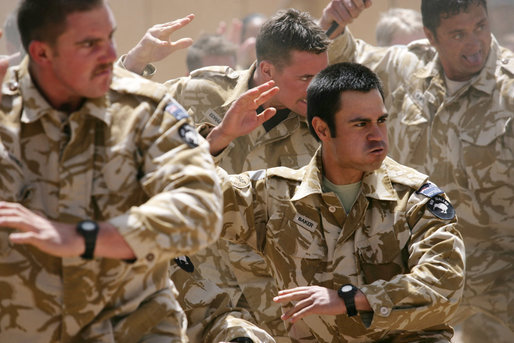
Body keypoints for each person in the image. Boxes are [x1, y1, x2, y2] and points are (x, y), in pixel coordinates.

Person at [0, 0, 222, 341]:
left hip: (133, 327)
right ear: (42, 53)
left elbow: (200, 208)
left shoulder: (146, 109)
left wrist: (87, 238)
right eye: (89, 44)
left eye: (110, 37)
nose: (109, 55)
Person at [217, 62, 465, 342]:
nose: (377, 136)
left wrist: (350, 299)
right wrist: (219, 138)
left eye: (381, 121)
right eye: (360, 124)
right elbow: (186, 195)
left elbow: (444, 285)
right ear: (322, 129)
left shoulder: (416, 199)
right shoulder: (275, 195)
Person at [123, 8, 330, 342]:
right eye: (305, 78)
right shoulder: (201, 93)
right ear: (267, 70)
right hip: (191, 301)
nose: (318, 88)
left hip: (275, 319)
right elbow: (117, 111)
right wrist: (135, 61)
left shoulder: (324, 130)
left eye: (322, 75)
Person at [320, 0, 514, 341]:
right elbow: (343, 55)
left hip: (500, 272)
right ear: (431, 36)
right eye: (458, 34)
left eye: (480, 27)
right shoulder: (408, 68)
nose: (474, 43)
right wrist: (334, 21)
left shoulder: (508, 89)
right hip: (419, 266)